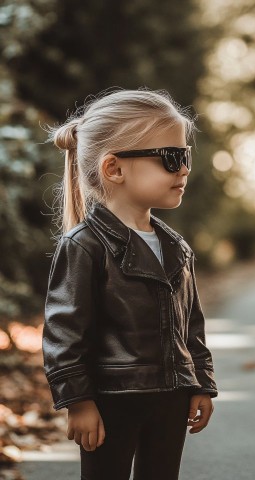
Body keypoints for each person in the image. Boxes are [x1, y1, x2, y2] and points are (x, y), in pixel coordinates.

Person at [42, 89, 217, 480]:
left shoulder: (177, 248)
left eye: (186, 156)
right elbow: (64, 332)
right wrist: (79, 401)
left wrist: (201, 383)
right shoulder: (85, 246)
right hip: (111, 399)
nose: (184, 170)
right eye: (172, 158)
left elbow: (192, 326)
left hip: (171, 398)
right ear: (115, 169)